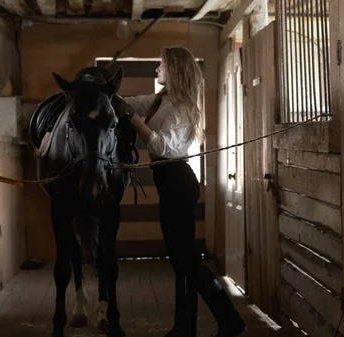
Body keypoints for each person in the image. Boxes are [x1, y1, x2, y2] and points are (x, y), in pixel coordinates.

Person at [114, 46, 246, 337]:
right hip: (169, 182)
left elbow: (161, 146)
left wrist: (132, 119)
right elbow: (132, 103)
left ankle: (229, 319)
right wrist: (111, 98)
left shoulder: (183, 108)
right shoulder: (162, 100)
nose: (157, 70)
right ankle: (185, 327)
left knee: (185, 259)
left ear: (174, 70)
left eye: (161, 65)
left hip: (178, 181)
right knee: (181, 260)